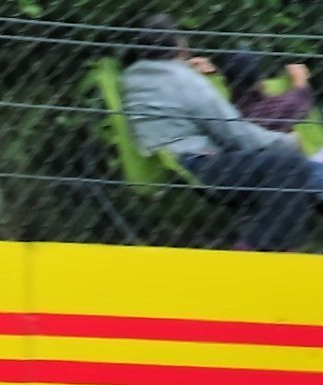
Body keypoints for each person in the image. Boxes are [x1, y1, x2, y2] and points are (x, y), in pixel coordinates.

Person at [120, 14, 315, 250]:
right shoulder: (183, 79)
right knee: (291, 166)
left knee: (289, 173)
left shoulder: (133, 77)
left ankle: (269, 247)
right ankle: (253, 250)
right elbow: (234, 133)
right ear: (179, 46)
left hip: (179, 159)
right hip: (201, 161)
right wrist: (286, 142)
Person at [212, 49, 314, 135]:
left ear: (225, 81)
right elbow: (300, 103)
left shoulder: (233, 110)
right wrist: (300, 80)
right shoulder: (262, 111)